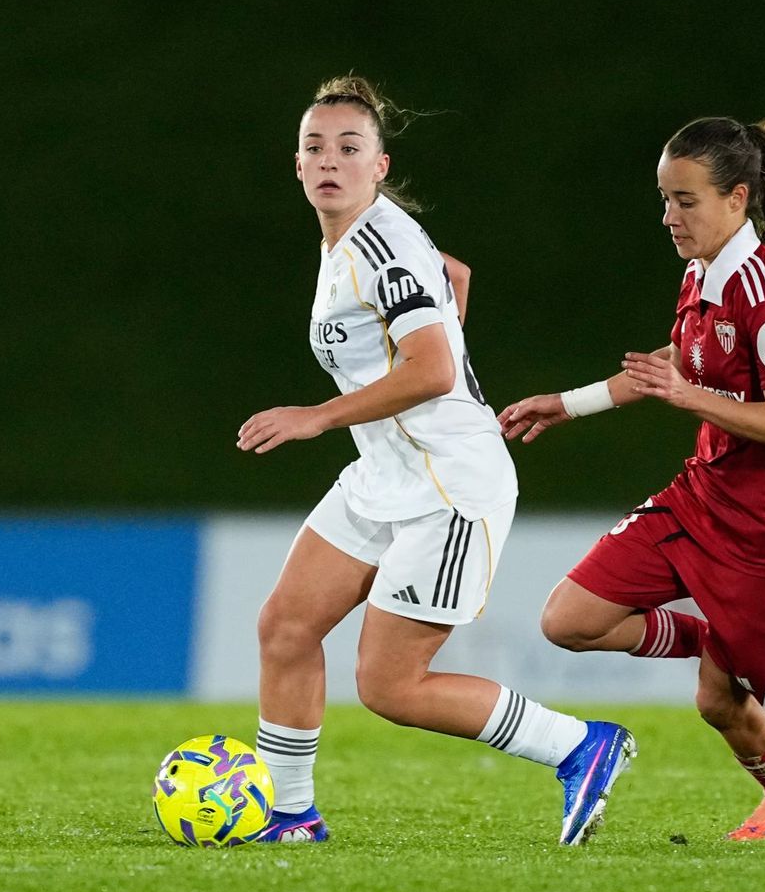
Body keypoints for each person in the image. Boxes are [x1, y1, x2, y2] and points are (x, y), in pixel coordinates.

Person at [236, 75, 634, 845]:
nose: (330, 160)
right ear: (297, 164)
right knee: (285, 627)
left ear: (379, 165)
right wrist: (440, 329)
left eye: (350, 147)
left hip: (448, 487)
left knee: (390, 685)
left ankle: (578, 746)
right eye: (315, 146)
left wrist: (317, 416)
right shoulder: (358, 238)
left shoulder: (378, 244)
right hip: (385, 474)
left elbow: (432, 370)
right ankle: (290, 817)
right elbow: (454, 276)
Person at [498, 108, 765, 841]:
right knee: (567, 620)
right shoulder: (701, 274)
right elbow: (679, 363)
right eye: (665, 199)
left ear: (737, 199)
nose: (668, 217)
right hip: (704, 498)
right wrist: (568, 404)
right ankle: (712, 634)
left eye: (685, 201)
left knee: (719, 704)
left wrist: (692, 397)